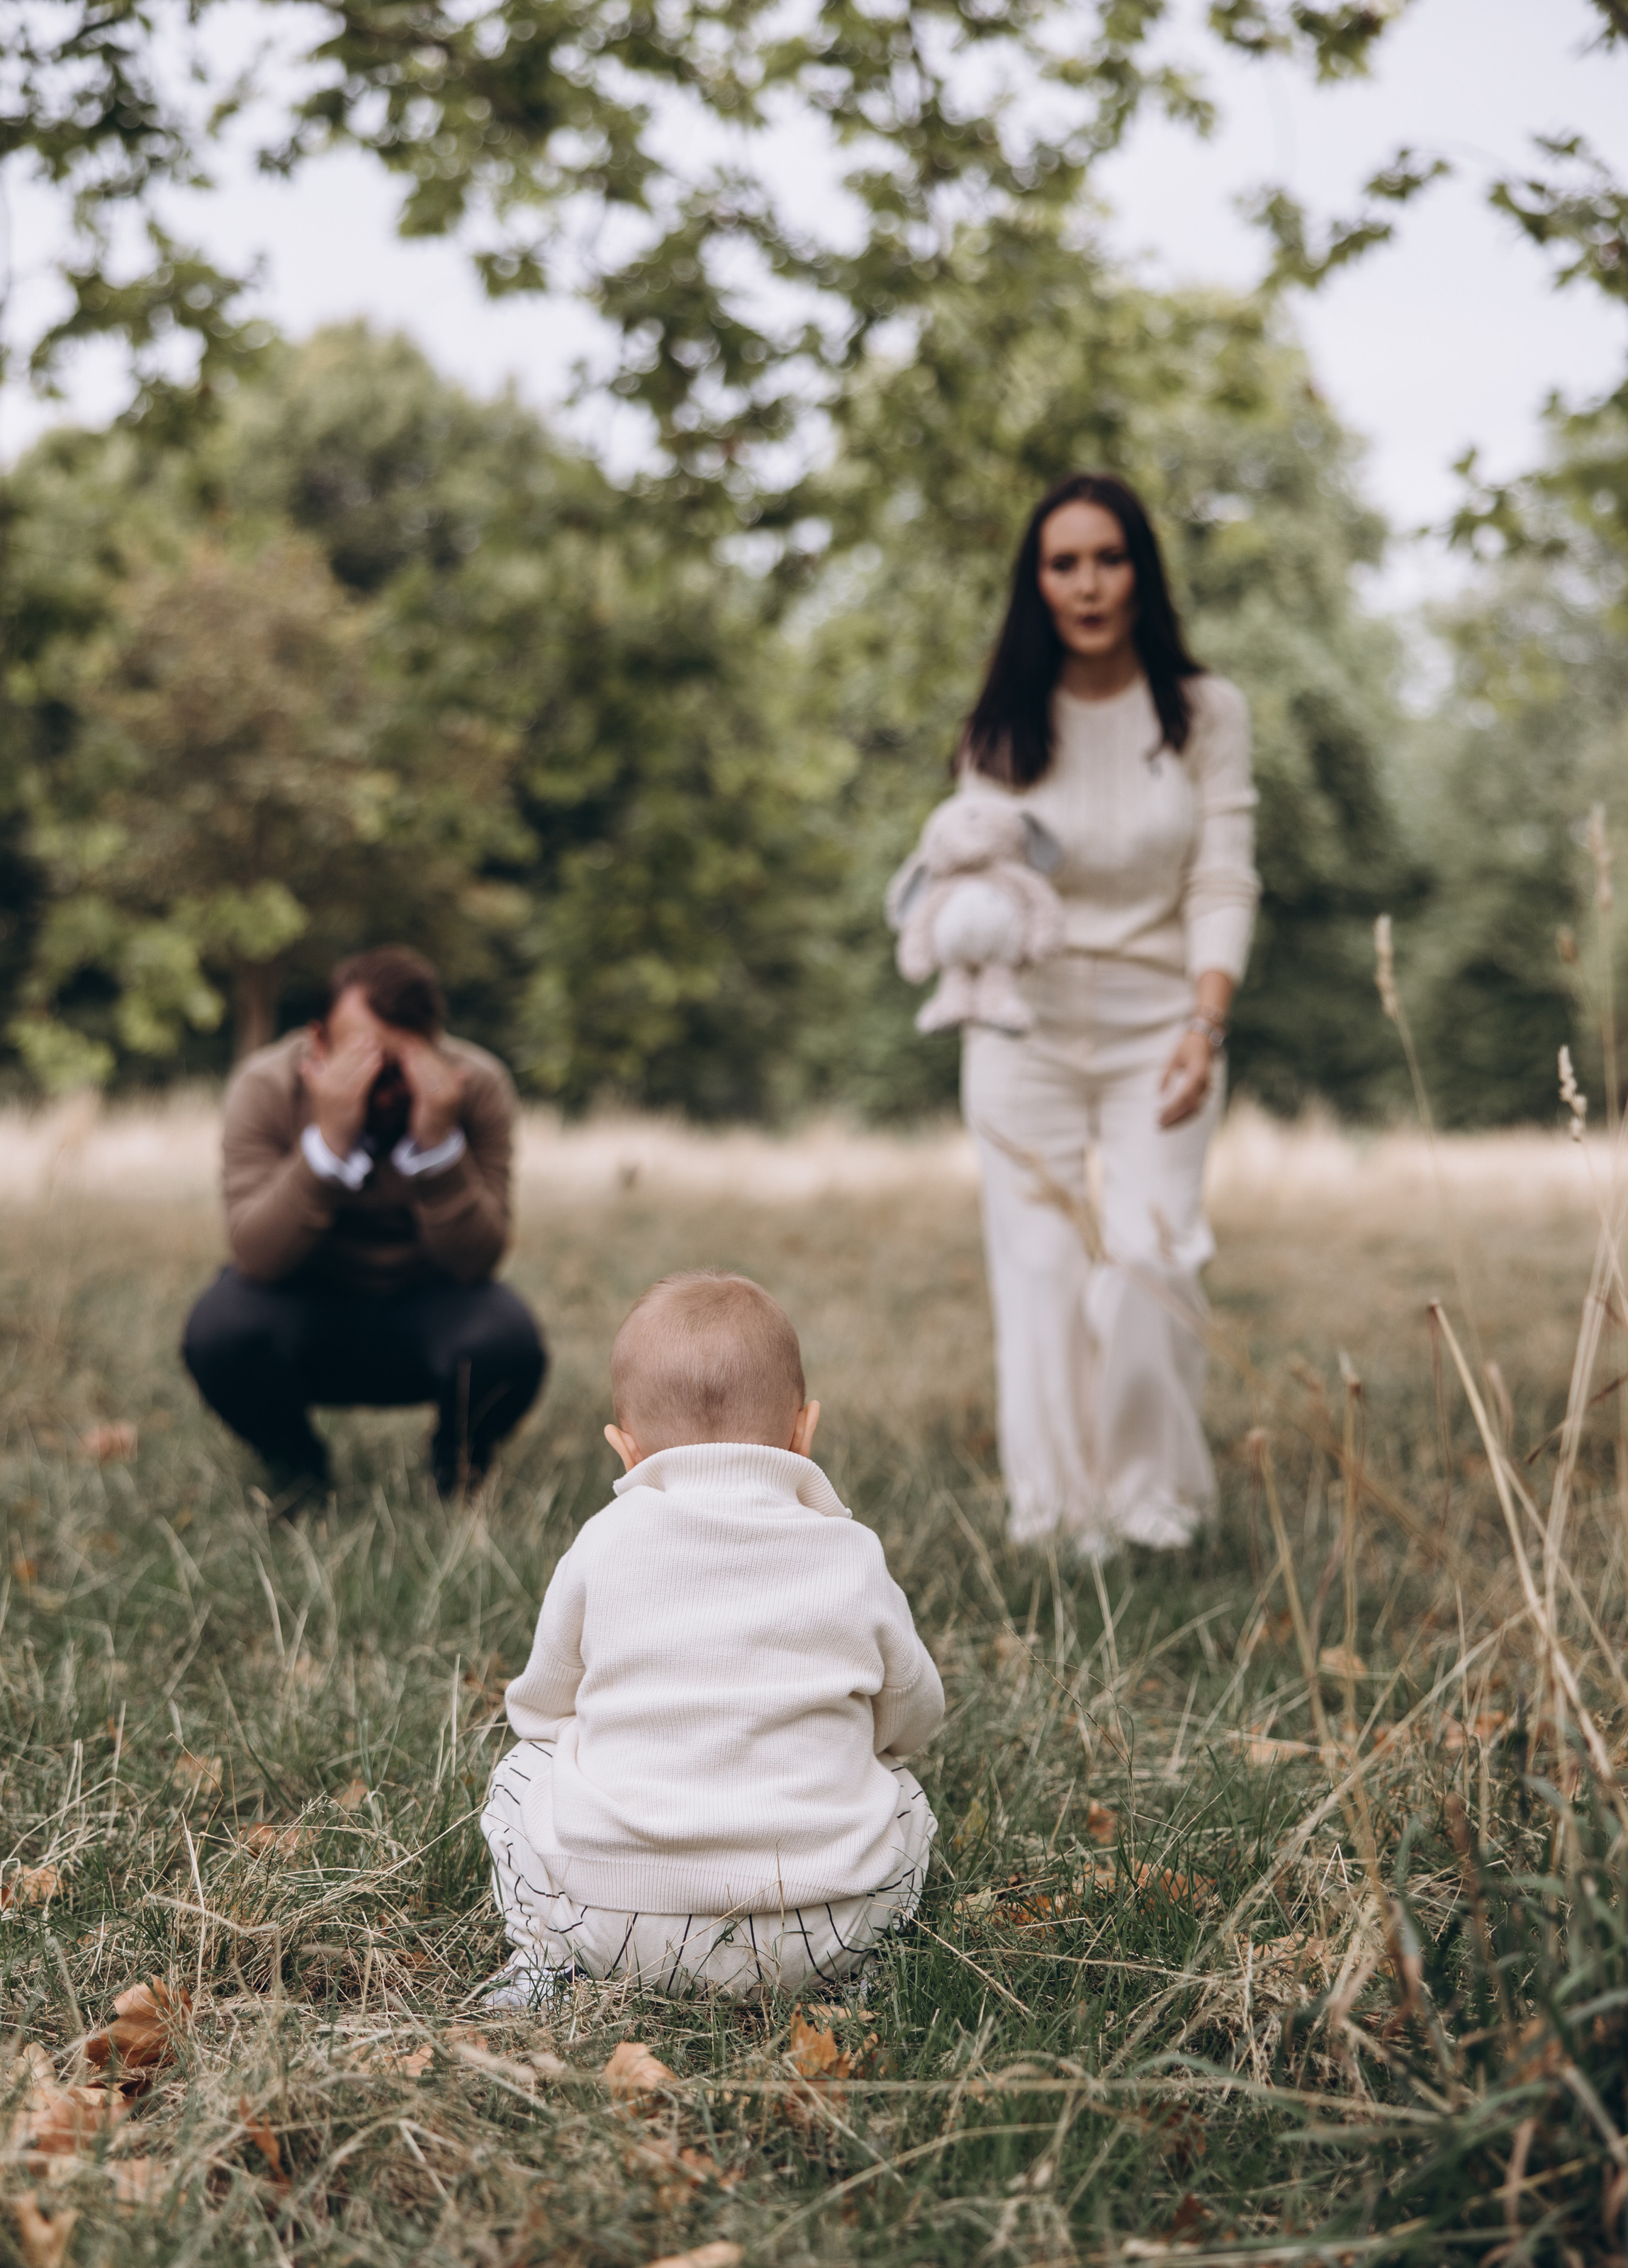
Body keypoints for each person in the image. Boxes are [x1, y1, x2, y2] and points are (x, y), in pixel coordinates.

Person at [477, 1270, 942, 2005]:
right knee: (905, 1797)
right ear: (803, 1430)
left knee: (519, 1774)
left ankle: (543, 1960)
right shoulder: (849, 1552)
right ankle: (857, 1978)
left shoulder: (603, 1544)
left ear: (625, 1450)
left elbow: (539, 1708)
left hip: (616, 1924)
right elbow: (913, 1714)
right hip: (820, 1926)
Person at [950, 472, 1259, 1558]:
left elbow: (1222, 880)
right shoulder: (997, 727)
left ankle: (1153, 1502)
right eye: (1064, 563)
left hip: (1160, 1028)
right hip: (1021, 1030)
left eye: (1109, 558)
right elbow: (965, 882)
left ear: (1142, 571)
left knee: (1148, 1254)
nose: (1088, 584)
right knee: (1037, 1267)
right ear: (1037, 583)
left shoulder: (1204, 714)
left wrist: (1204, 1024)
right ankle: (1057, 1516)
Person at [181, 945, 546, 1507]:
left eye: (401, 1062)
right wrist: (328, 1145)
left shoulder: (475, 1085)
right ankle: (298, 1471)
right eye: (365, 1058)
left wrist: (438, 1147)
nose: (385, 1085)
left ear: (434, 1046)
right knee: (219, 1332)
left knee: (510, 1340)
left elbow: (478, 1262)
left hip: (432, 1300)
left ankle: (458, 1469)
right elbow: (256, 1255)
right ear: (318, 1043)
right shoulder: (265, 1085)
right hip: (299, 1298)